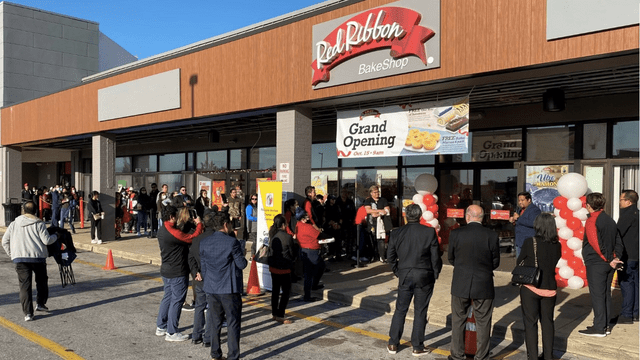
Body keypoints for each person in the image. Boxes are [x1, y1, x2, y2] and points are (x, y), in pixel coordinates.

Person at [386, 204, 441, 357]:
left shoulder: (397, 233)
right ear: (420, 216)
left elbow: (390, 256)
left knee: (400, 309)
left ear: (405, 215)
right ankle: (417, 346)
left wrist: (398, 270)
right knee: (420, 311)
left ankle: (393, 343)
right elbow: (435, 257)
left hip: (405, 274)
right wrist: (435, 273)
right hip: (424, 275)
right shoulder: (429, 232)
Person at [448, 205, 500, 360]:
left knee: (458, 320)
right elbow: (495, 262)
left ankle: (457, 355)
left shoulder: (456, 233)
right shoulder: (491, 235)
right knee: (483, 322)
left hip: (460, 282)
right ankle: (481, 356)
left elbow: (451, 258)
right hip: (483, 283)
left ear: (467, 216)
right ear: (482, 218)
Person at [200, 212, 247, 360]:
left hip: (211, 288)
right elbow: (242, 264)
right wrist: (242, 252)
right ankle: (233, 356)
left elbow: (204, 268)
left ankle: (215, 353)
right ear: (226, 225)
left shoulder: (204, 242)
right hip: (229, 288)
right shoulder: (232, 243)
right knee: (233, 323)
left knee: (215, 322)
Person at [2, 201, 58, 321]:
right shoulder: (39, 223)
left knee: (24, 286)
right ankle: (41, 304)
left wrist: (13, 255)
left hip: (20, 259)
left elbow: (4, 241)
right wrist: (56, 236)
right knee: (42, 281)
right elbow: (47, 240)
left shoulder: (14, 224)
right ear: (36, 211)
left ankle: (28, 313)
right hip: (38, 258)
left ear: (23, 210)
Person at [155, 205, 204, 342]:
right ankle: (171, 332)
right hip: (177, 271)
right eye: (175, 216)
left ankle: (161, 326)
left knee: (168, 297)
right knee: (177, 300)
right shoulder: (172, 232)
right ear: (171, 217)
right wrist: (199, 224)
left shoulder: (162, 229)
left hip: (166, 269)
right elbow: (191, 237)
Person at [517, 213, 562, 360]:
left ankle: (533, 357)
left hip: (531, 287)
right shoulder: (558, 245)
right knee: (548, 323)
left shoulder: (531, 242)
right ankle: (548, 356)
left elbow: (520, 262)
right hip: (550, 288)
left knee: (531, 324)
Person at [578, 193, 624, 337]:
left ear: (589, 206)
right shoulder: (609, 219)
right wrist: (616, 257)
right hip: (608, 263)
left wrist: (609, 258)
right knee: (605, 295)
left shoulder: (593, 220)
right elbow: (618, 240)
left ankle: (599, 328)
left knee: (598, 296)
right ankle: (605, 325)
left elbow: (595, 242)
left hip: (597, 262)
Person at [188, 212, 216, 346]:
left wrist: (196, 272)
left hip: (199, 277)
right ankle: (208, 338)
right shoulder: (216, 239)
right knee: (210, 307)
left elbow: (191, 257)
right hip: (211, 278)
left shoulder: (197, 239)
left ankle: (196, 335)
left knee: (199, 305)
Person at [268, 214, 296, 324]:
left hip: (273, 267)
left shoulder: (272, 234)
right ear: (283, 225)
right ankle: (280, 314)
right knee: (286, 292)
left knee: (275, 291)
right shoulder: (287, 237)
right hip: (284, 268)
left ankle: (274, 313)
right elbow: (291, 253)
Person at [617, 189, 639, 324]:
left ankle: (626, 314)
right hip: (637, 256)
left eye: (621, 200)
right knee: (636, 284)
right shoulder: (638, 214)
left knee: (627, 284)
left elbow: (618, 234)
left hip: (628, 256)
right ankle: (636, 313)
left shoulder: (627, 215)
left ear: (628, 202)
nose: (620, 202)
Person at [295, 208, 325, 302]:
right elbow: (318, 234)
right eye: (306, 215)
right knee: (313, 271)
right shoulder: (307, 227)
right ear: (303, 218)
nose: (308, 217)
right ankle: (308, 294)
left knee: (310, 272)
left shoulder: (298, 225)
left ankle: (311, 288)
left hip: (304, 250)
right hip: (311, 251)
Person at [364, 185, 391, 263]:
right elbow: (368, 210)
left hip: (381, 223)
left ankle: (382, 256)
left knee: (381, 240)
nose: (377, 194)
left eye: (378, 192)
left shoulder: (383, 200)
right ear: (371, 193)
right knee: (371, 240)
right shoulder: (368, 200)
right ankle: (372, 256)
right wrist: (380, 211)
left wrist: (378, 213)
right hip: (371, 223)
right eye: (375, 192)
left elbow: (386, 210)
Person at [509, 192, 541, 258]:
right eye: (519, 200)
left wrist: (518, 218)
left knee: (527, 263)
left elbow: (533, 223)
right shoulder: (519, 210)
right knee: (519, 263)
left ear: (529, 200)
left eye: (522, 200)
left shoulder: (535, 210)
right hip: (519, 241)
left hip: (528, 241)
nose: (520, 202)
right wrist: (513, 221)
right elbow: (519, 222)